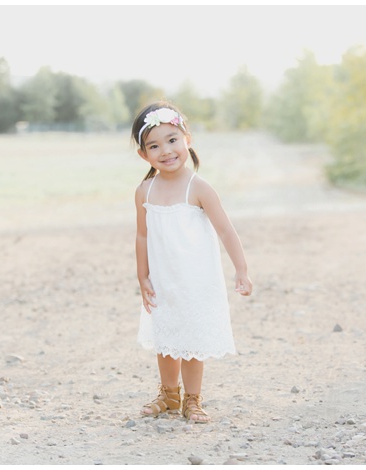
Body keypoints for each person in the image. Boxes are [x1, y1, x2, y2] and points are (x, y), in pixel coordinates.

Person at [132, 101, 252, 423]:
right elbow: (142, 236)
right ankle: (169, 395)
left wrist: (241, 269)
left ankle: (193, 399)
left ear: (187, 138)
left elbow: (225, 229)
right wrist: (142, 275)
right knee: (166, 338)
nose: (166, 150)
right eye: (154, 146)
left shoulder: (198, 187)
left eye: (172, 140)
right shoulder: (145, 190)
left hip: (196, 281)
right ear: (144, 155)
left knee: (192, 342)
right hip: (163, 280)